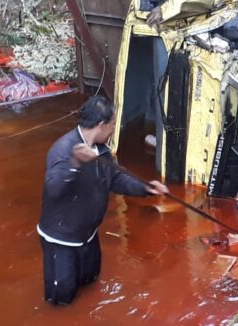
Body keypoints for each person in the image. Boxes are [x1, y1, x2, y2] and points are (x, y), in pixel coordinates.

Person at [37, 95, 168, 305]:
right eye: (113, 124)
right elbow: (54, 189)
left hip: (88, 234)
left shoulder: (102, 150)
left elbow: (115, 178)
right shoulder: (63, 150)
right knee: (61, 299)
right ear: (101, 125)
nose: (115, 128)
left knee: (91, 281)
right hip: (62, 238)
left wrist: (146, 188)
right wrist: (75, 163)